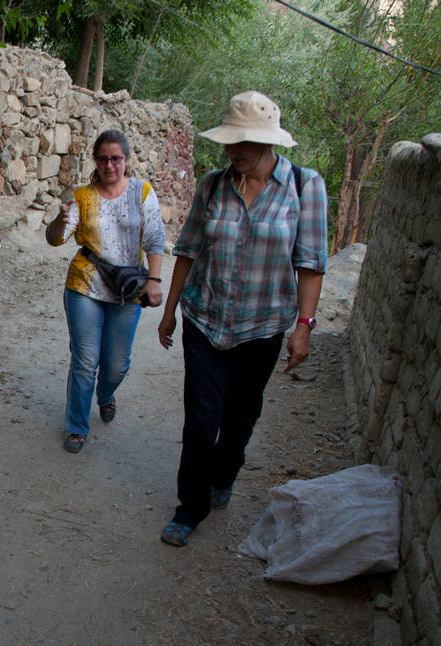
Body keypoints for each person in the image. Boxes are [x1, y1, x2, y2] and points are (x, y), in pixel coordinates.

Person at [157, 90, 327, 547]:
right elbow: (188, 250)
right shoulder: (212, 185)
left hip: (262, 328)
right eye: (230, 143)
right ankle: (188, 509)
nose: (233, 152)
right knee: (200, 420)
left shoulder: (304, 187)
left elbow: (310, 264)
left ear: (269, 144)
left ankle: (224, 474)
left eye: (243, 145)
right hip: (206, 320)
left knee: (239, 419)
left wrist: (303, 330)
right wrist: (170, 311)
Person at [45, 129, 165, 454]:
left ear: (126, 160)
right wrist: (59, 220)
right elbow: (55, 238)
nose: (110, 165)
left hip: (128, 289)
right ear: (95, 161)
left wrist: (154, 280)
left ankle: (106, 394)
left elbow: (155, 240)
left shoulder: (142, 193)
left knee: (115, 365)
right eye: (103, 158)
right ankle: (77, 427)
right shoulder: (82, 196)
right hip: (85, 284)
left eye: (116, 158)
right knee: (85, 360)